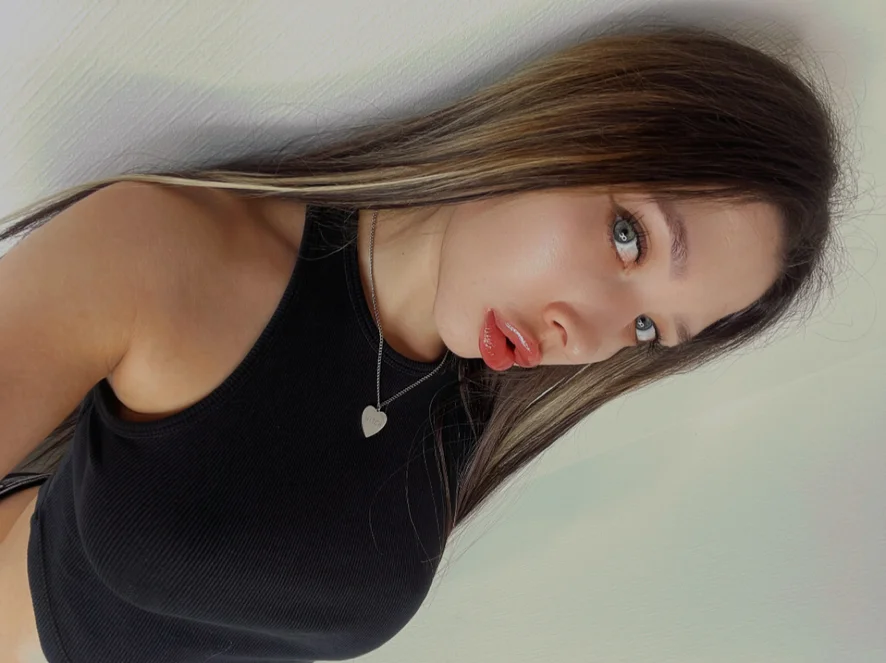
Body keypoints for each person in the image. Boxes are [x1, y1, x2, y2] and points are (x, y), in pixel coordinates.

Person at [0, 26, 842, 663]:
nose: (585, 333)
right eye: (630, 238)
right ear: (570, 128)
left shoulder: (462, 415)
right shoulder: (169, 249)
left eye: (647, 330)